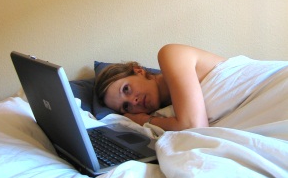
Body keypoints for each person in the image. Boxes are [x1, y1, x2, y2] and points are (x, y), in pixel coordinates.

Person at [95, 44, 226, 131]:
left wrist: (142, 120)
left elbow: (194, 127)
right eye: (126, 106)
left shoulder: (170, 54)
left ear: (138, 71)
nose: (133, 102)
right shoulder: (166, 114)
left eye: (126, 89)